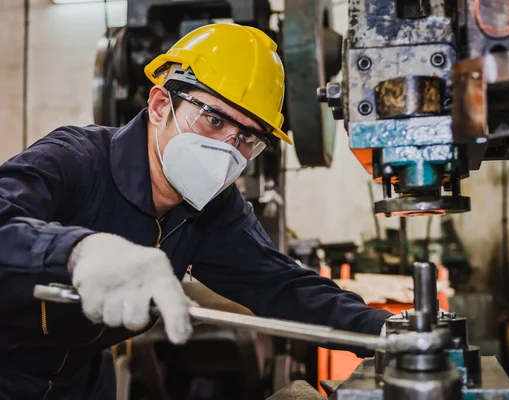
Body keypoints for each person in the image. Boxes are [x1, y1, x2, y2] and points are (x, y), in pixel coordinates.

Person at [0, 23, 392, 399]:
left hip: (79, 382)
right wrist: (76, 252)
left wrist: (387, 332)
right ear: (159, 105)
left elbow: (282, 286)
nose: (227, 148)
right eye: (214, 119)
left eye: (248, 137)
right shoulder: (75, 160)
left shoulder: (213, 209)